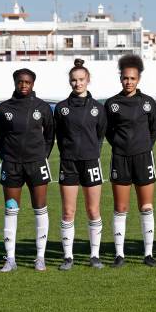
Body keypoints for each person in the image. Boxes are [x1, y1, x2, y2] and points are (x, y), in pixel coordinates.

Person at [0, 68, 55, 272]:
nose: (23, 85)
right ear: (14, 82)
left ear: (33, 83)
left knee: (40, 208)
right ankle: (10, 258)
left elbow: (49, 136)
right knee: (11, 209)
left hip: (37, 164)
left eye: (27, 82)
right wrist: (7, 157)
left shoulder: (43, 107)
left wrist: (41, 156)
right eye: (20, 81)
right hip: (12, 165)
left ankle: (40, 257)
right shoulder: (3, 108)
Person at [105, 54, 156, 268]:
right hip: (120, 158)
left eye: (132, 78)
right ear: (121, 79)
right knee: (121, 207)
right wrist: (121, 145)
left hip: (143, 157)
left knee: (146, 207)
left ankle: (148, 254)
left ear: (139, 79)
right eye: (125, 78)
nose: (128, 82)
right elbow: (107, 131)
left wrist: (143, 145)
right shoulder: (111, 104)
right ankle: (119, 254)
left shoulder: (148, 103)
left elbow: (154, 129)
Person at [55, 59, 106, 270]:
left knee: (93, 210)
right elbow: (57, 134)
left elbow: (101, 133)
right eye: (74, 80)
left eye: (81, 79)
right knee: (68, 211)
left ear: (88, 80)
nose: (78, 84)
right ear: (70, 82)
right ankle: (68, 257)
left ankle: (94, 255)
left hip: (91, 162)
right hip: (68, 164)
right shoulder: (61, 108)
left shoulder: (97, 108)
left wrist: (91, 150)